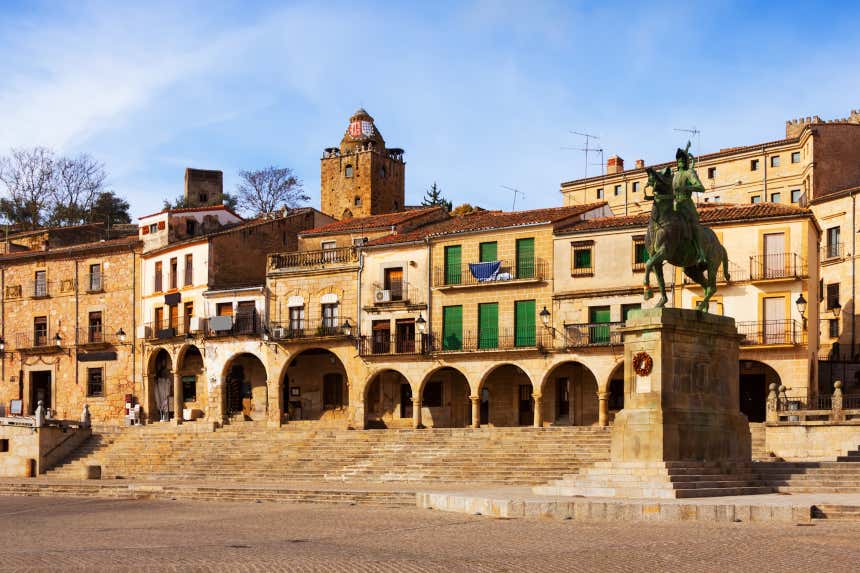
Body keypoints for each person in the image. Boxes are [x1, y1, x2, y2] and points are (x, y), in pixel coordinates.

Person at [672, 142, 707, 265]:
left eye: (683, 159)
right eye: (679, 159)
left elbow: (700, 187)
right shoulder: (675, 175)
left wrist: (687, 188)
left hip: (686, 204)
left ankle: (701, 252)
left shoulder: (689, 173)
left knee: (693, 225)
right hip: (675, 204)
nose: (680, 161)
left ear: (686, 161)